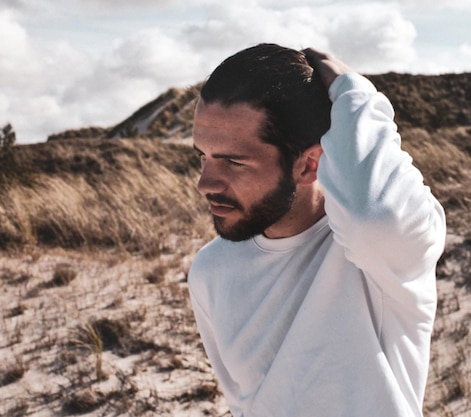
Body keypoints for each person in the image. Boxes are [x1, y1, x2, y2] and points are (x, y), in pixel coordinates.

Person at [188, 43, 446, 417]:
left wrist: (354, 93)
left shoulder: (382, 257)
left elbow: (375, 215)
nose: (205, 183)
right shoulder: (210, 270)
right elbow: (245, 404)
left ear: (309, 166)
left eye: (233, 161)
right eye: (203, 156)